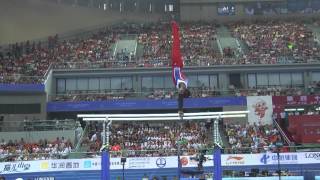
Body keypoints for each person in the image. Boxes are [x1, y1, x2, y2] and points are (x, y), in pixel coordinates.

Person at [171, 21, 190, 119]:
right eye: (182, 91)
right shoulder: (183, 84)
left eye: (180, 92)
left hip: (177, 65)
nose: (180, 91)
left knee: (176, 43)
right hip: (177, 63)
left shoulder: (182, 89)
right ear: (184, 89)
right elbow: (181, 90)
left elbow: (180, 100)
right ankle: (175, 26)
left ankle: (175, 27)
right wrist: (180, 89)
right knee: (176, 43)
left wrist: (180, 111)